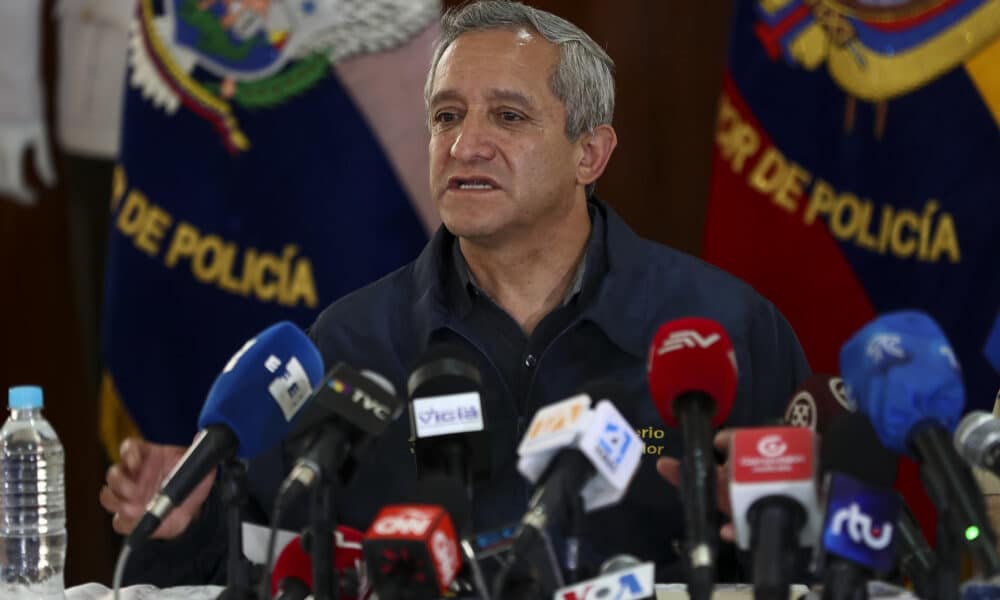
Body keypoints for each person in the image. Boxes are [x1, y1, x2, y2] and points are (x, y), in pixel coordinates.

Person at [101, 0, 810, 586]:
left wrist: (769, 523)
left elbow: (829, 557)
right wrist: (187, 528)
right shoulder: (351, 345)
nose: (465, 145)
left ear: (589, 152)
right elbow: (265, 559)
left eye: (507, 116)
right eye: (446, 116)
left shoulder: (724, 330)